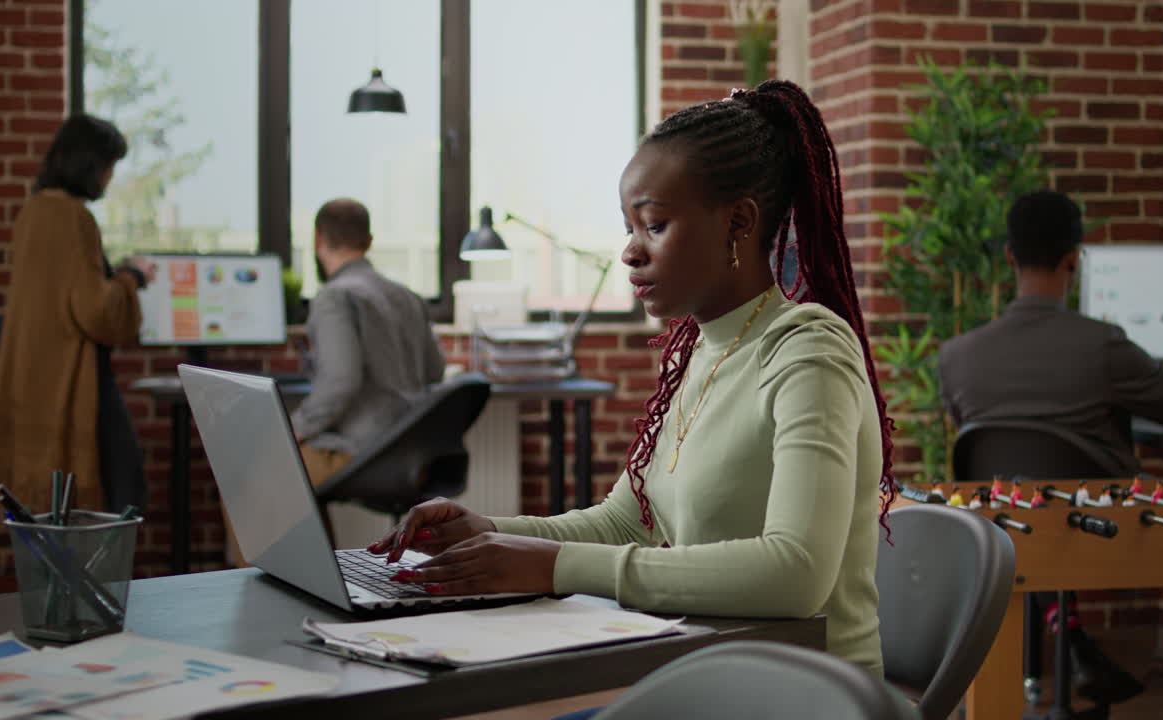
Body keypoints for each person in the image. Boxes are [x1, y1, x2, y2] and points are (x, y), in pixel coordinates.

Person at [370, 80, 897, 675]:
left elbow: (797, 572)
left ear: (739, 223)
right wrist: (489, 533)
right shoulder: (701, 350)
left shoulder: (808, 350)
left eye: (654, 225)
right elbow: (628, 520)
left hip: (813, 698)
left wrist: (550, 564)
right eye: (628, 228)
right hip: (715, 679)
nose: (629, 252)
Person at [939, 189, 1163, 705]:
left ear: (1009, 256)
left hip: (1005, 527)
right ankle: (1085, 638)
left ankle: (1064, 634)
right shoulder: (1104, 346)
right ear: (1073, 259)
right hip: (1108, 531)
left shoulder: (956, 358)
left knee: (1028, 501)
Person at [0, 114, 154, 516]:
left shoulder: (34, 212)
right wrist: (132, 277)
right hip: (76, 381)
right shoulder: (73, 216)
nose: (110, 179)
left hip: (33, 383)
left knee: (46, 521)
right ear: (90, 164)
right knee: (120, 497)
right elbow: (95, 312)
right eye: (109, 167)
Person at [290, 198, 446, 488]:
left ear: (318, 238)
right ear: (369, 241)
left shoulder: (333, 297)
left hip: (366, 451)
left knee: (250, 479)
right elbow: (435, 371)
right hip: (415, 451)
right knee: (295, 481)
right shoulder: (407, 296)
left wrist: (295, 429)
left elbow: (341, 381)